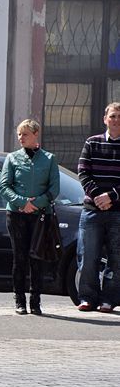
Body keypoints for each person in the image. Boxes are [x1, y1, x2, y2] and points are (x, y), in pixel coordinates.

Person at [0, 119, 60, 316]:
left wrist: (37, 203)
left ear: (35, 135)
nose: (20, 138)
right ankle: (19, 300)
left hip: (40, 215)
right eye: (19, 134)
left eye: (25, 134)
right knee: (20, 257)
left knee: (36, 257)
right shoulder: (12, 158)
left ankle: (35, 301)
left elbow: (54, 189)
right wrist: (21, 202)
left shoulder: (49, 159)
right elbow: (4, 186)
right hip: (16, 214)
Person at [76, 103, 120, 313]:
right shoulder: (91, 143)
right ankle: (87, 298)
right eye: (112, 116)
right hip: (92, 210)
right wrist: (97, 197)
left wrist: (111, 196)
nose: (116, 120)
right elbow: (83, 172)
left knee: (116, 259)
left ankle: (109, 300)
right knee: (88, 256)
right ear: (105, 119)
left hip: (117, 211)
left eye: (119, 117)